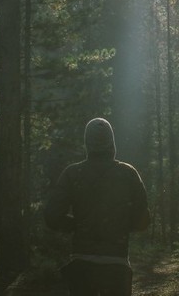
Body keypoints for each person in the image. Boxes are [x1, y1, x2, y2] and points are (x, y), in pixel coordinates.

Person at [45, 117, 150, 296]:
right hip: (117, 264)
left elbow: (52, 217)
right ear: (112, 144)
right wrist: (121, 225)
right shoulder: (128, 173)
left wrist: (76, 225)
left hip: (82, 264)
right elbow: (143, 221)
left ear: (87, 144)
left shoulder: (72, 173)